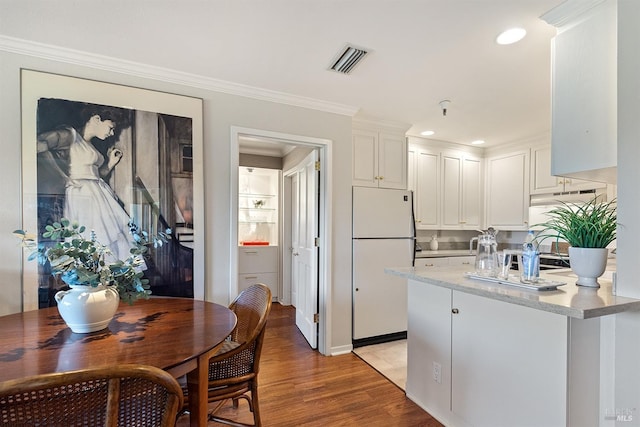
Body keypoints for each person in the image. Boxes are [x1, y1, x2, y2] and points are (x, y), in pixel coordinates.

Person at [37, 103, 139, 262]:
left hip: (98, 195)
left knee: (108, 240)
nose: (112, 133)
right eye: (110, 127)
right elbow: (38, 144)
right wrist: (62, 176)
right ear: (97, 119)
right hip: (82, 196)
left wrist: (111, 163)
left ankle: (107, 280)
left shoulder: (91, 144)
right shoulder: (69, 135)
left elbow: (96, 175)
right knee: (91, 240)